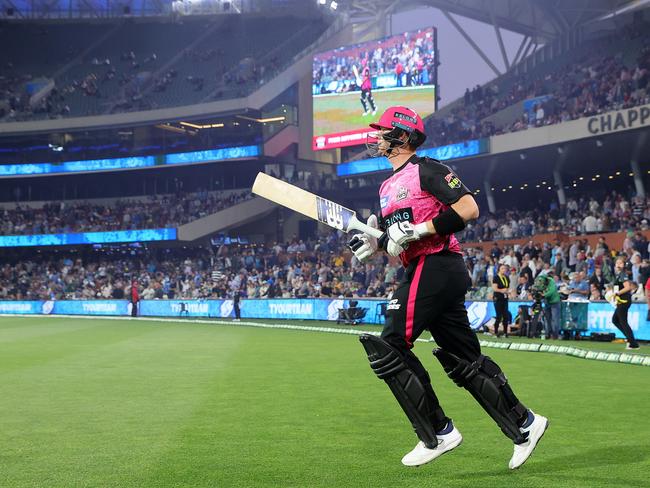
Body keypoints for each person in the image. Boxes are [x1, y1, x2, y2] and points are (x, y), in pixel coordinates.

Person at [349, 106, 548, 470]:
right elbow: (401, 237)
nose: (375, 137)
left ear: (403, 136)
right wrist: (377, 243)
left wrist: (418, 231)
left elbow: (468, 209)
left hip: (437, 264)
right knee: (463, 359)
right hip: (426, 268)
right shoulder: (385, 186)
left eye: (382, 131)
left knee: (390, 345)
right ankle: (525, 423)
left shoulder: (428, 169)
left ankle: (437, 433)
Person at [611, 257, 640, 349]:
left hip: (624, 300)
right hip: (621, 300)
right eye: (617, 263)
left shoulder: (623, 274)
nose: (618, 265)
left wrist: (617, 293)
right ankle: (630, 340)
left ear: (624, 265)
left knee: (622, 322)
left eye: (620, 263)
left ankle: (633, 343)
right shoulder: (619, 275)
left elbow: (628, 287)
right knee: (616, 320)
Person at [535, 272, 561, 339]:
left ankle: (555, 335)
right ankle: (547, 334)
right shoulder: (540, 281)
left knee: (555, 319)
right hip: (547, 302)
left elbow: (551, 291)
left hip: (554, 302)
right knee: (547, 319)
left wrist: (544, 295)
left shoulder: (551, 281)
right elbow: (538, 288)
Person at [492, 264, 511, 337]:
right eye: (502, 268)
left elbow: (507, 288)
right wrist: (502, 290)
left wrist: (508, 291)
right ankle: (496, 332)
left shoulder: (507, 277)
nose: (504, 270)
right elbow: (494, 288)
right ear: (499, 269)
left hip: (505, 298)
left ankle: (505, 333)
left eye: (505, 268)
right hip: (498, 298)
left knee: (506, 316)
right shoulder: (496, 277)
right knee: (499, 316)